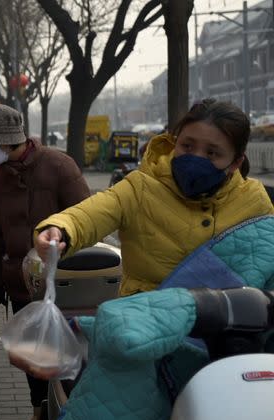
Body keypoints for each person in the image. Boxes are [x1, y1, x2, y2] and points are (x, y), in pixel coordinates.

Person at [35, 99, 274, 294]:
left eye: (212, 153)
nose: (196, 158)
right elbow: (90, 214)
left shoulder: (255, 199)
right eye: (187, 146)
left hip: (226, 333)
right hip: (145, 326)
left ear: (236, 162)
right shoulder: (139, 187)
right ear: (174, 142)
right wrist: (60, 229)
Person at [0, 104, 90, 420]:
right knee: (31, 352)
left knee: (67, 349)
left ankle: (72, 414)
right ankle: (39, 413)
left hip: (61, 279)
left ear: (6, 142)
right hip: (20, 280)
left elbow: (87, 219)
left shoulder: (59, 166)